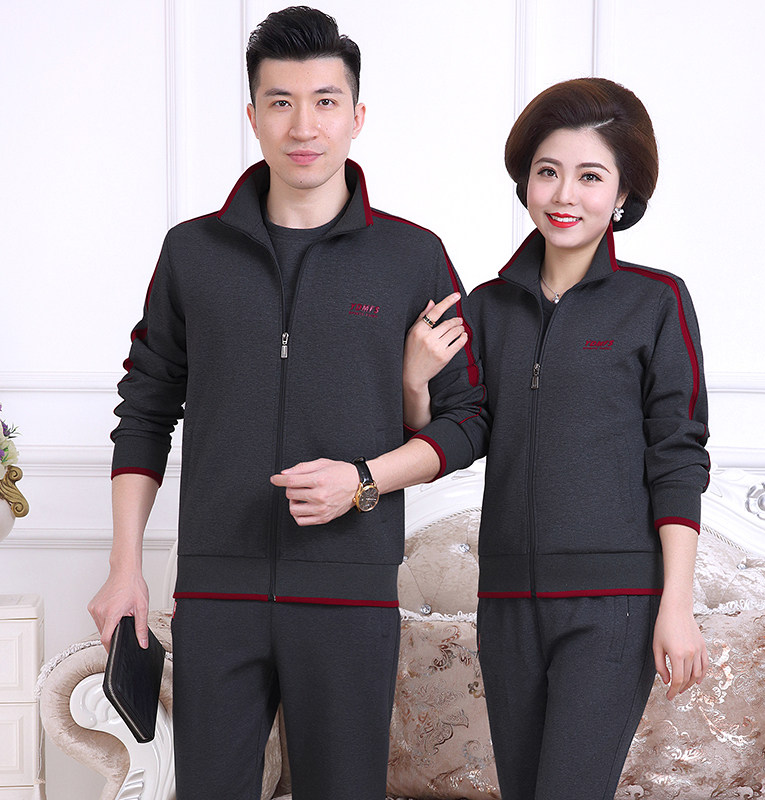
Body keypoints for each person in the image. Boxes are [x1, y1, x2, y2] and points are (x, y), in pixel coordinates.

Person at [88, 7, 486, 799]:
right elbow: (145, 410)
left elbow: (470, 419)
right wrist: (124, 568)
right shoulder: (193, 252)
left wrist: (362, 480)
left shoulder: (413, 257)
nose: (304, 126)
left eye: (325, 101)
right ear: (253, 116)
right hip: (216, 595)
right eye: (281, 102)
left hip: (349, 595)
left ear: (357, 116)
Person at [402, 77, 710, 800]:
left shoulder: (656, 301)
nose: (564, 194)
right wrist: (414, 381)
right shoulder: (486, 307)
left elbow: (677, 456)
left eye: (590, 176)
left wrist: (676, 604)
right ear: (526, 182)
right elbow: (459, 431)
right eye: (548, 172)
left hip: (614, 604)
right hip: (507, 601)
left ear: (625, 192)